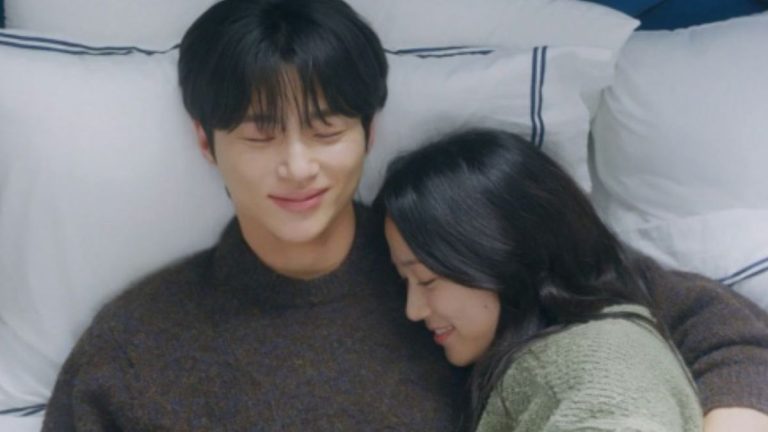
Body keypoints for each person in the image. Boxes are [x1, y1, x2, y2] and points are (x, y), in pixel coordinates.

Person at [41, 0, 768, 430]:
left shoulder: (461, 251)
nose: (297, 166)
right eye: (260, 136)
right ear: (207, 143)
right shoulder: (135, 348)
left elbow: (727, 333)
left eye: (326, 130)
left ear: (369, 132)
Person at [376, 128, 704, 430]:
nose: (413, 310)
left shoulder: (588, 358)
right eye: (405, 282)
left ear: (502, 253)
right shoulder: (571, 348)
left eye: (426, 279)